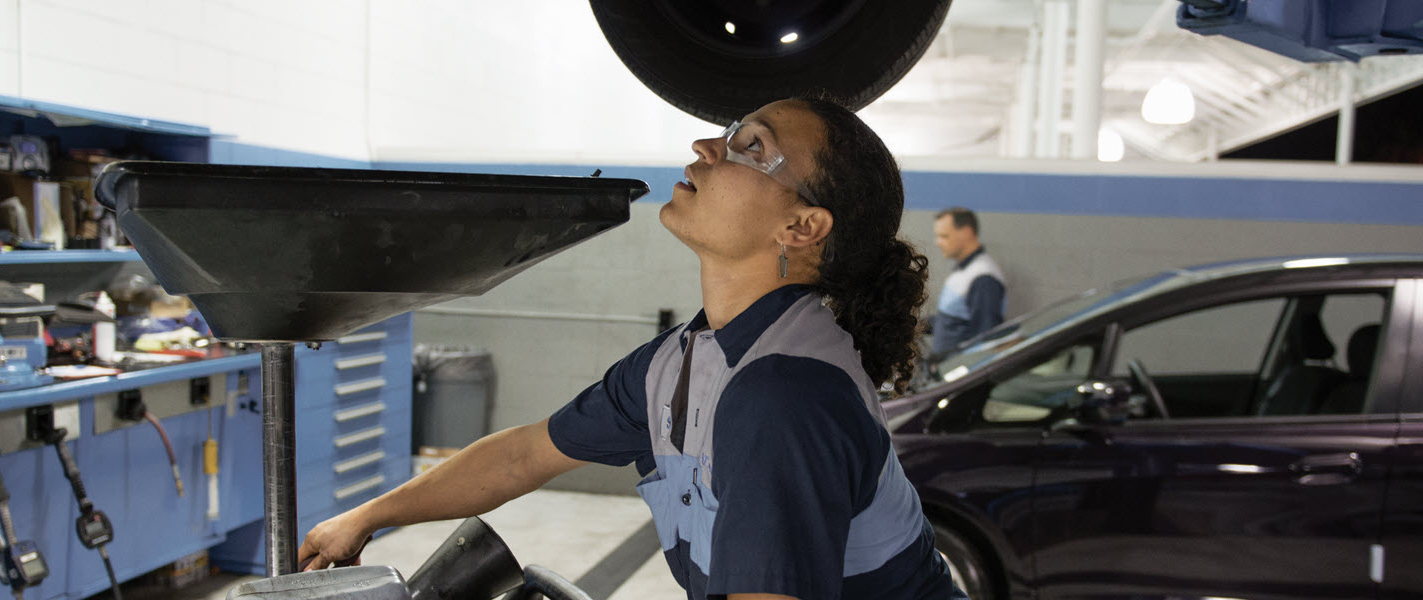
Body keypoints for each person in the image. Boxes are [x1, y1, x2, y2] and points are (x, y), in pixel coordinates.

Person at [298, 97, 968, 600]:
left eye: (749, 146)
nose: (709, 146)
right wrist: (368, 516)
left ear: (801, 225)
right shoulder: (682, 361)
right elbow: (525, 454)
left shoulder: (785, 396)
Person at [928, 208, 1005, 359]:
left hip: (957, 374)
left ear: (967, 233)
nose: (938, 242)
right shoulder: (964, 270)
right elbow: (952, 321)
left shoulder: (983, 278)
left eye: (944, 236)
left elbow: (985, 339)